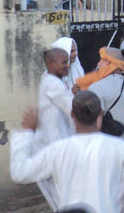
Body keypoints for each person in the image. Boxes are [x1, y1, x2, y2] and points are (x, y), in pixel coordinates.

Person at [10, 91, 124, 213]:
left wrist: (27, 131)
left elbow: (19, 173)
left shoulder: (57, 150)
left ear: (72, 115)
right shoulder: (118, 147)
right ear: (100, 113)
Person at [83, 48, 124, 212]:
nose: (98, 64)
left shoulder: (96, 89)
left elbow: (92, 126)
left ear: (109, 64)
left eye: (101, 60)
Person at [33, 48, 74, 210]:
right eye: (64, 62)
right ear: (50, 64)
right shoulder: (52, 84)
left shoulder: (53, 81)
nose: (68, 66)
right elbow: (73, 109)